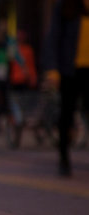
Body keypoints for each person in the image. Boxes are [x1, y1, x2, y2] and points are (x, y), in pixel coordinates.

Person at [44, 0, 89, 177]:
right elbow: (53, 38)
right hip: (70, 69)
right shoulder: (66, 5)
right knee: (67, 114)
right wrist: (53, 70)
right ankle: (64, 158)